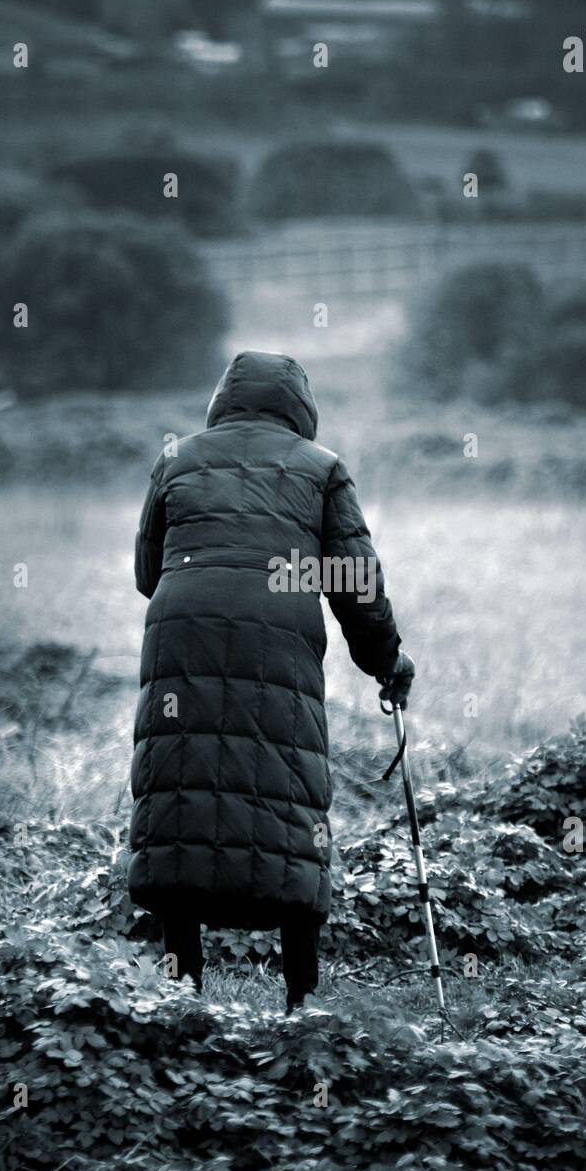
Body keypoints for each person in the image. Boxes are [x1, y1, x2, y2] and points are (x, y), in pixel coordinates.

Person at [128, 350, 414, 1012]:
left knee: (180, 780)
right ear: (300, 408)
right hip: (280, 633)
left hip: (181, 626)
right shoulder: (321, 469)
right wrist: (386, 661)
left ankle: (182, 993)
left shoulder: (177, 458)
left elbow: (147, 572)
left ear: (222, 400)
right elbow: (355, 583)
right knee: (286, 790)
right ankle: (299, 1001)